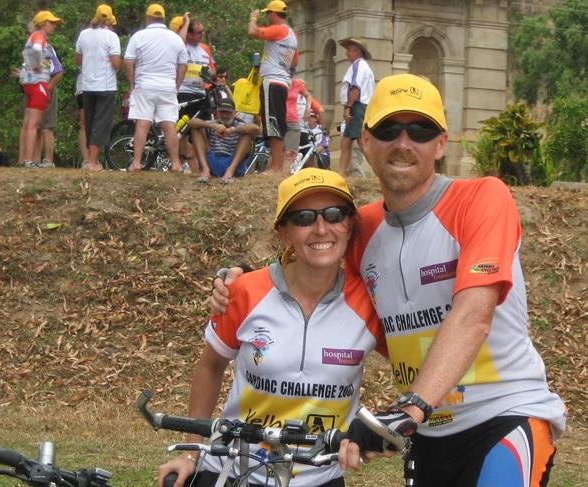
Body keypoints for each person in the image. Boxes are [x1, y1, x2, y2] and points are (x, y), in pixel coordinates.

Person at [211, 74, 566, 487]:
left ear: (441, 143)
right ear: (365, 140)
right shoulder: (364, 227)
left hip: (503, 415)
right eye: (388, 130)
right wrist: (236, 278)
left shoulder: (483, 199)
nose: (403, 143)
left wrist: (410, 407)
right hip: (428, 431)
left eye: (420, 130)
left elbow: (473, 316)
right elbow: (308, 253)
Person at [158, 167, 386, 487]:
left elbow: (414, 365)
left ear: (350, 224)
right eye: (304, 218)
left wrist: (387, 424)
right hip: (233, 469)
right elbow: (211, 367)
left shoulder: (371, 301)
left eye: (334, 214)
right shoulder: (244, 291)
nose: (321, 229)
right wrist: (190, 453)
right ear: (284, 232)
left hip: (318, 477)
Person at [123, 3, 187, 172]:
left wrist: (132, 84)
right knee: (169, 125)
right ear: (164, 18)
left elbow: (129, 61)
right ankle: (175, 164)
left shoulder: (139, 36)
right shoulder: (175, 38)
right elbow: (183, 65)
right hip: (167, 86)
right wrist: (176, 86)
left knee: (143, 123)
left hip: (144, 85)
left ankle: (137, 162)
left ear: (148, 17)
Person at [248, 0, 298, 173]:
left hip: (272, 81)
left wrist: (253, 18)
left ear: (274, 14)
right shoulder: (292, 34)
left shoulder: (279, 29)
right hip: (282, 81)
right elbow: (295, 60)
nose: (267, 17)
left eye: (268, 13)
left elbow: (252, 32)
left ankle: (275, 167)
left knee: (273, 123)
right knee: (275, 122)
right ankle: (274, 164)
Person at [75, 4, 121, 172]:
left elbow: (78, 60)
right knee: (101, 123)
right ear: (109, 19)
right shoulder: (111, 37)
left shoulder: (84, 35)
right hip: (106, 85)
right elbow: (116, 64)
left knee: (89, 122)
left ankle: (89, 159)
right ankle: (93, 162)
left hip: (87, 85)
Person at [18, 10, 63, 168]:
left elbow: (28, 58)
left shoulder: (32, 38)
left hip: (30, 84)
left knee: (31, 123)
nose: (54, 26)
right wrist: (38, 66)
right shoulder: (39, 36)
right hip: (38, 84)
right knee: (34, 124)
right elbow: (37, 50)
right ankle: (29, 160)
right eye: (52, 23)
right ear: (44, 23)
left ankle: (27, 159)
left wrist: (34, 67)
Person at [187, 98, 259, 183]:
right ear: (217, 112)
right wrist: (213, 126)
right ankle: (205, 171)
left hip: (233, 162)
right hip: (212, 161)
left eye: (228, 112)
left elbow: (256, 129)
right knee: (197, 129)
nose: (225, 115)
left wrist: (232, 130)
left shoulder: (239, 125)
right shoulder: (212, 123)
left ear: (234, 113)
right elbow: (191, 123)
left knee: (247, 133)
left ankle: (230, 172)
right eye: (222, 112)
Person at [177, 18, 216, 172]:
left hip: (201, 94)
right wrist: (185, 23)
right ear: (190, 34)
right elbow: (178, 40)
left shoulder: (205, 48)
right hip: (184, 92)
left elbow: (213, 69)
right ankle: (180, 163)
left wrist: (210, 74)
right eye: (199, 32)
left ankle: (204, 165)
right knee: (181, 130)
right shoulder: (181, 45)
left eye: (203, 31)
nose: (203, 34)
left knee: (202, 129)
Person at [338, 37, 374, 177]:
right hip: (358, 106)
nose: (347, 53)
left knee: (360, 140)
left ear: (357, 51)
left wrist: (348, 107)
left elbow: (355, 88)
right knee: (346, 141)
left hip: (357, 106)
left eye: (349, 50)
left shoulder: (358, 65)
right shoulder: (363, 66)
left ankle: (378, 172)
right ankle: (340, 174)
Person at [283, 73, 312, 172]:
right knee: (277, 152)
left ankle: (284, 177)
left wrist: (308, 108)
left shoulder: (297, 84)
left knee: (290, 153)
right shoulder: (278, 81)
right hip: (279, 120)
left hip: (294, 122)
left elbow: (309, 96)